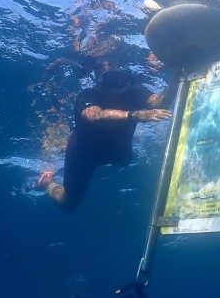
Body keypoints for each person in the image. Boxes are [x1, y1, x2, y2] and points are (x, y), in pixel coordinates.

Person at [38, 69, 176, 212]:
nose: (116, 78)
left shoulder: (135, 91)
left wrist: (176, 76)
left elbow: (159, 103)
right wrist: (136, 115)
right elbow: (95, 116)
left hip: (118, 150)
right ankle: (47, 182)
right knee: (68, 203)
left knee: (126, 160)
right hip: (83, 154)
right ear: (101, 80)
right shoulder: (87, 94)